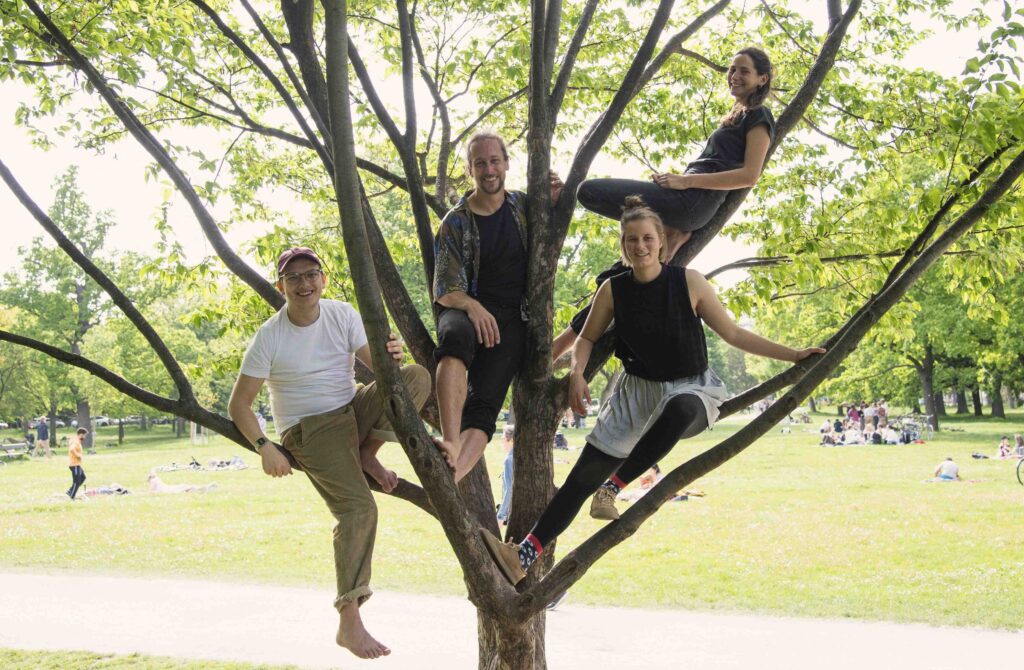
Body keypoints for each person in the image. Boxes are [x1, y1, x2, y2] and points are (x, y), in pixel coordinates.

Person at [480, 197, 824, 584]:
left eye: (647, 238)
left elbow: (733, 333)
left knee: (677, 410)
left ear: (661, 241)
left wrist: (793, 354)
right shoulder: (612, 290)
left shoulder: (689, 282)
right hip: (635, 395)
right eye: (630, 240)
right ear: (623, 245)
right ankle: (522, 556)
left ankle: (612, 489)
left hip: (691, 389)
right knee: (578, 481)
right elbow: (587, 338)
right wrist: (577, 374)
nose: (639, 246)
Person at [227, 246, 430, 660]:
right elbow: (238, 405)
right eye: (294, 278)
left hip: (351, 409)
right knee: (359, 510)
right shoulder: (270, 336)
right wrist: (265, 447)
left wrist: (394, 356)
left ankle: (365, 454)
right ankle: (349, 616)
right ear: (281, 286)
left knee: (415, 379)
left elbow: (385, 373)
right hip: (312, 428)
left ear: (323, 278)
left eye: (311, 275)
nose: (304, 284)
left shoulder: (341, 314)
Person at [551, 47, 775, 360]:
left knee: (588, 191)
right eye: (732, 69)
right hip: (683, 205)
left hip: (689, 200)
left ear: (762, 78)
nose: (734, 76)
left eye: (744, 71)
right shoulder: (735, 117)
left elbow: (749, 175)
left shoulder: (759, 116)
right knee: (621, 277)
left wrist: (685, 182)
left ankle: (564, 197)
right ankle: (558, 348)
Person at [432, 131, 563, 481]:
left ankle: (453, 475)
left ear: (506, 163)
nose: (488, 169)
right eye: (480, 163)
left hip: (511, 321)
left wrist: (553, 200)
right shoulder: (456, 222)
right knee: (454, 342)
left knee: (486, 406)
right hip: (463, 309)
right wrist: (473, 307)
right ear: (470, 169)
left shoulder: (522, 206)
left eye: (494, 161)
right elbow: (445, 288)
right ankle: (449, 439)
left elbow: (549, 234)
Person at [496, 425, 515, 526]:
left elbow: (509, 489)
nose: (501, 440)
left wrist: (501, 514)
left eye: (503, 438)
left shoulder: (509, 460)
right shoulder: (516, 457)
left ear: (511, 440)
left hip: (511, 510)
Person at [66, 427, 87, 499]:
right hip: (74, 464)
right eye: (84, 435)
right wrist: (78, 456)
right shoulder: (76, 441)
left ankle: (70, 490)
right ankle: (72, 495)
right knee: (77, 481)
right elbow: (72, 449)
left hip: (77, 465)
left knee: (83, 477)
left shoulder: (76, 440)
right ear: (81, 434)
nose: (84, 437)